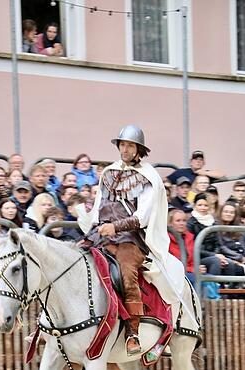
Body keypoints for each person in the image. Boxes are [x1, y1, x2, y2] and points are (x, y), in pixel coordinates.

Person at [74, 125, 190, 356]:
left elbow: (142, 217)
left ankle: (133, 332)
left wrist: (114, 226)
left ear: (139, 149)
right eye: (122, 145)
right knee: (72, 262)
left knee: (127, 271)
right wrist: (92, 228)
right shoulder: (108, 173)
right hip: (102, 234)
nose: (125, 149)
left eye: (130, 145)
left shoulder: (148, 177)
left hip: (131, 239)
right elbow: (99, 208)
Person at [203, 203, 245, 287]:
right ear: (221, 213)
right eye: (226, 211)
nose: (228, 214)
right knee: (229, 263)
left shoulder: (235, 228)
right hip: (210, 255)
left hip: (226, 256)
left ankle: (232, 293)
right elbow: (220, 246)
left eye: (231, 212)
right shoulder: (215, 226)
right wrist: (238, 257)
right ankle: (220, 293)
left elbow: (240, 246)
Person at [167, 208, 196, 284]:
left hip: (190, 271)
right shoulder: (166, 239)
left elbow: (193, 260)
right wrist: (192, 269)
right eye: (178, 221)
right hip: (175, 273)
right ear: (170, 223)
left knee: (209, 279)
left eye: (184, 220)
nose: (182, 223)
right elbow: (173, 264)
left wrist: (196, 268)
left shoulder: (190, 237)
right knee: (195, 279)